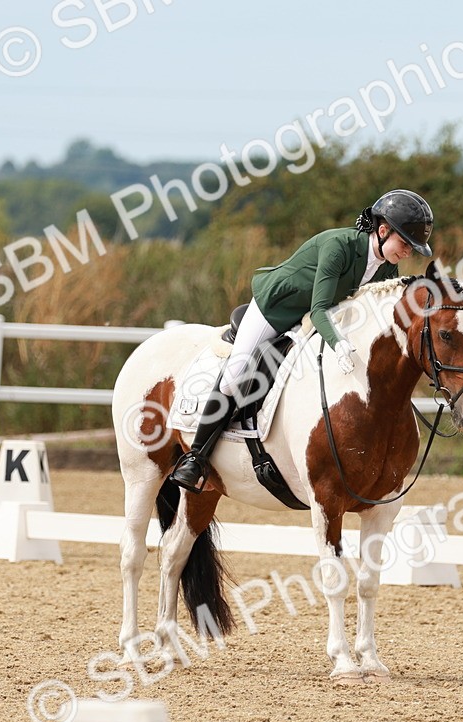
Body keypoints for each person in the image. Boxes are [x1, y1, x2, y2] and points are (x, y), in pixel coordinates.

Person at [170, 188, 434, 493]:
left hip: (311, 316)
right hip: (275, 310)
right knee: (235, 376)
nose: (407, 252)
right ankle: (195, 458)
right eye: (405, 243)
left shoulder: (387, 266)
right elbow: (319, 309)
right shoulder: (339, 246)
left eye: (412, 248)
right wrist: (338, 343)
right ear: (383, 230)